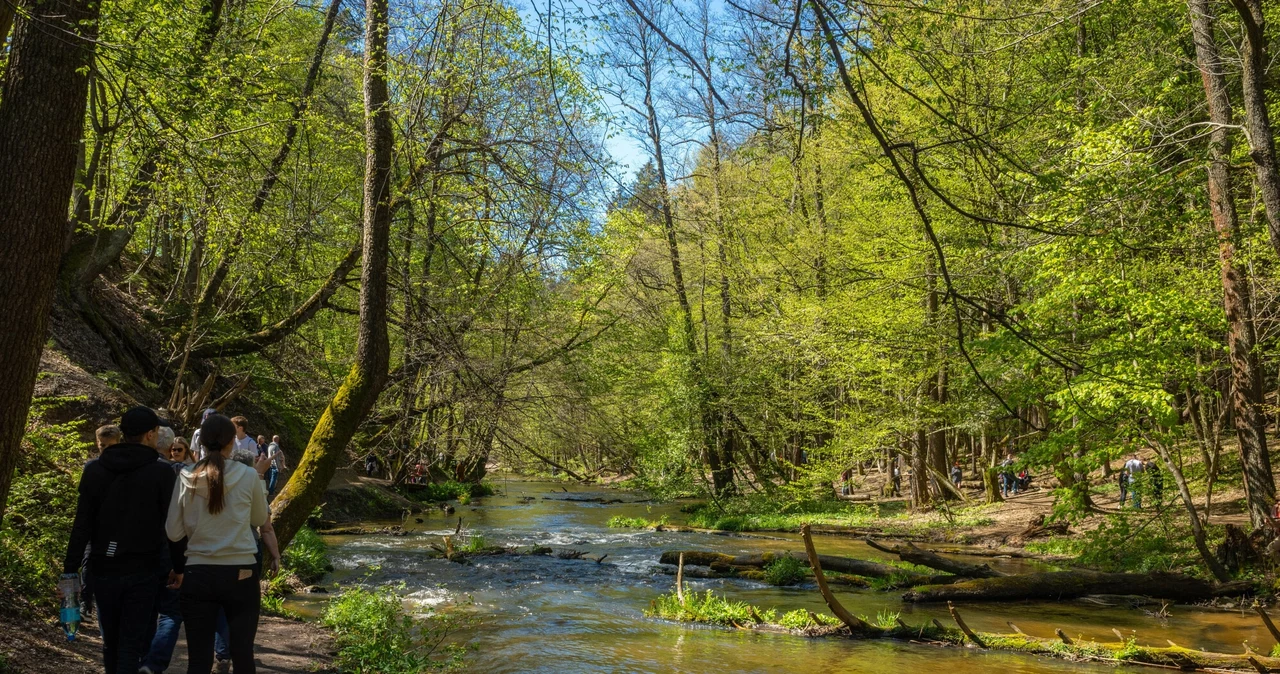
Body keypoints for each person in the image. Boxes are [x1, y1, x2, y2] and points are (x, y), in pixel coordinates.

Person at [62, 407, 185, 674]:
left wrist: (70, 569)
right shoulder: (162, 473)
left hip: (102, 566)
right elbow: (171, 526)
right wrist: (178, 566)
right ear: (151, 434)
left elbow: (81, 524)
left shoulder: (94, 469)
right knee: (132, 644)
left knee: (111, 643)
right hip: (145, 569)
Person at [167, 414, 269, 674]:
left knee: (198, 660)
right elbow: (259, 519)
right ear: (232, 442)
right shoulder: (247, 475)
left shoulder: (186, 475)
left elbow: (173, 531)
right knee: (243, 654)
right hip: (241, 572)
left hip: (198, 572)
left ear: (200, 443)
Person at [140, 426, 185, 674]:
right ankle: (153, 664)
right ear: (170, 448)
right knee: (170, 613)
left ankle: (142, 658)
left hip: (141, 553)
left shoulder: (135, 471)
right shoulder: (177, 472)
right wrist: (180, 564)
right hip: (169, 551)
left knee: (146, 610)